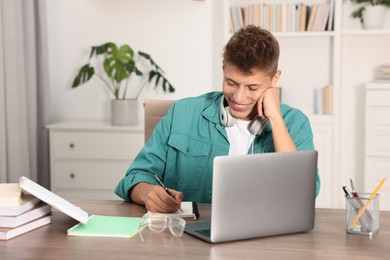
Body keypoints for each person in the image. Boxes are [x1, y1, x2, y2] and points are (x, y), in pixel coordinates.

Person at [115, 25, 320, 213]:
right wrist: (148, 193)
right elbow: (135, 177)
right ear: (223, 69)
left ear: (275, 79)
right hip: (188, 241)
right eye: (231, 82)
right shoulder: (183, 113)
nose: (239, 97)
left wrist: (275, 118)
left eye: (253, 87)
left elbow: (303, 193)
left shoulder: (294, 123)